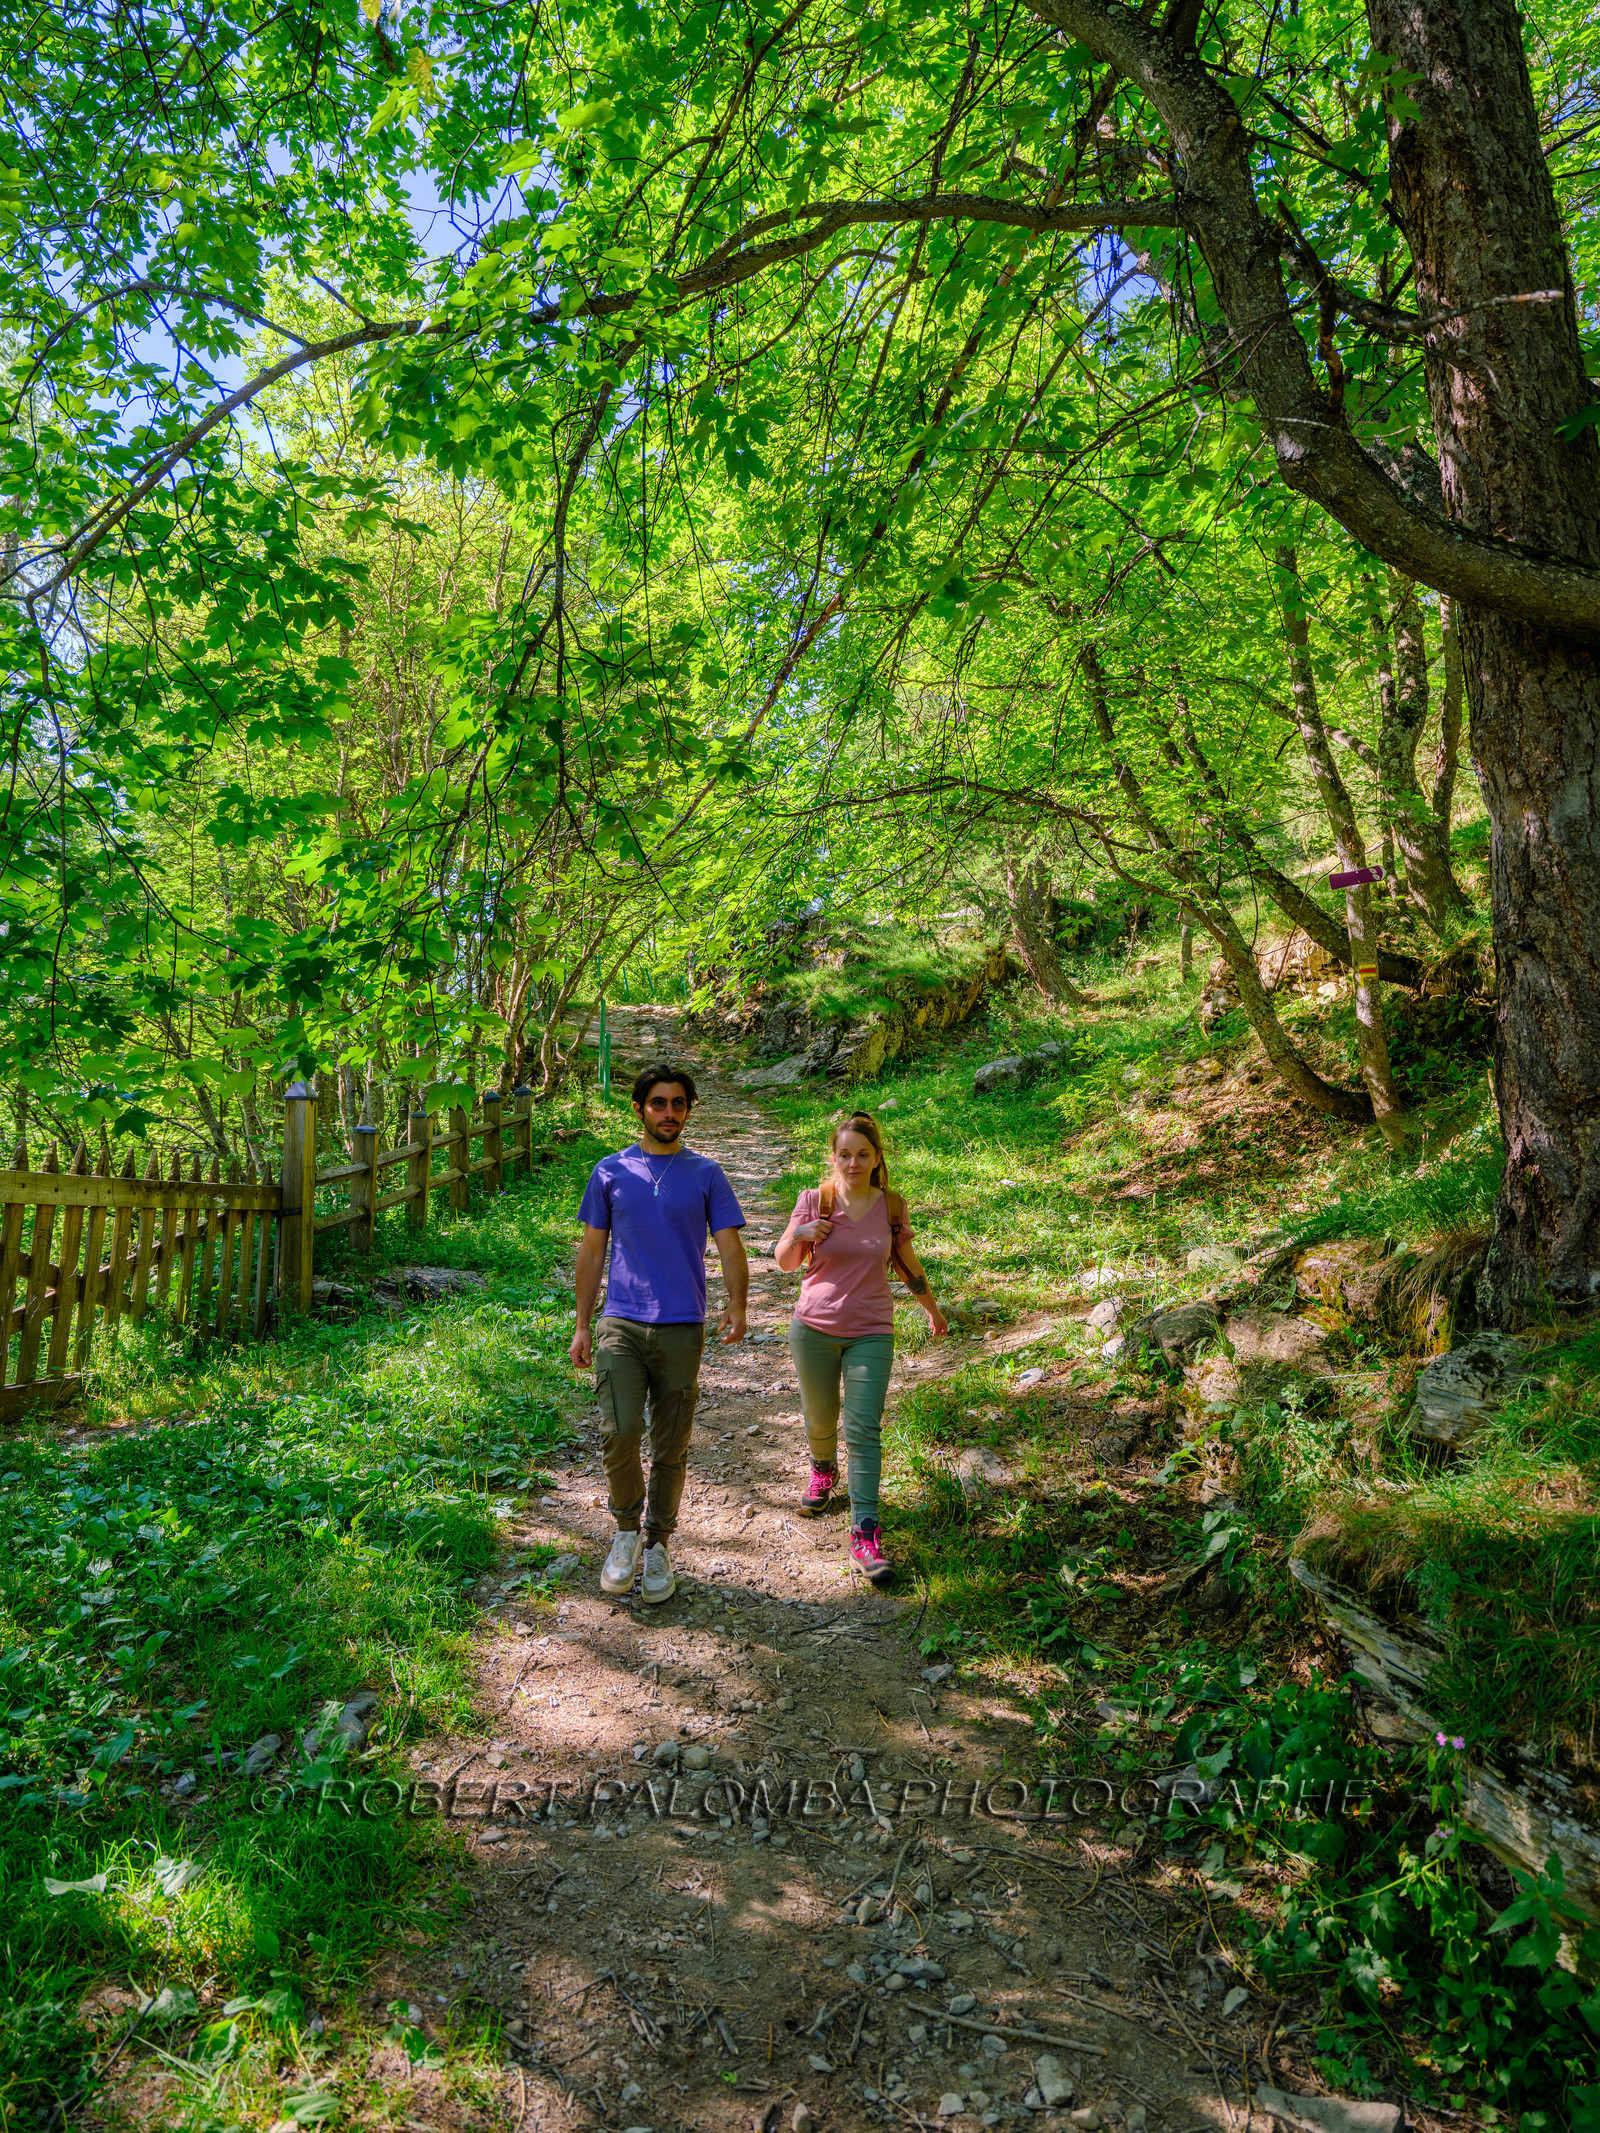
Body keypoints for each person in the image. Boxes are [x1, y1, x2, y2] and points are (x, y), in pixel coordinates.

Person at [570, 1063, 748, 1603]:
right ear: (640, 1109)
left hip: (681, 1327)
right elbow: (593, 1250)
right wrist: (582, 1323)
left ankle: (658, 1544)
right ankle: (626, 1531)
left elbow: (730, 1245)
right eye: (658, 1103)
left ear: (688, 1110)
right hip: (620, 1321)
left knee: (671, 1441)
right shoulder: (610, 1171)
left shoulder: (706, 1174)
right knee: (620, 1432)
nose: (669, 1112)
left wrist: (738, 1303)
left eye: (678, 1103)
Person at [772, 1110, 947, 1584]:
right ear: (834, 1157)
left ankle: (865, 1532)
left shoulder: (891, 1206)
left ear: (876, 1158)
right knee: (821, 1416)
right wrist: (799, 1234)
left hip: (872, 1329)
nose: (853, 1163)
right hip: (813, 1327)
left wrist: (931, 1309)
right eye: (844, 1154)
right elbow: (785, 1261)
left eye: (862, 1154)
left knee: (864, 1427)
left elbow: (905, 1260)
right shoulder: (815, 1200)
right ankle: (823, 1467)